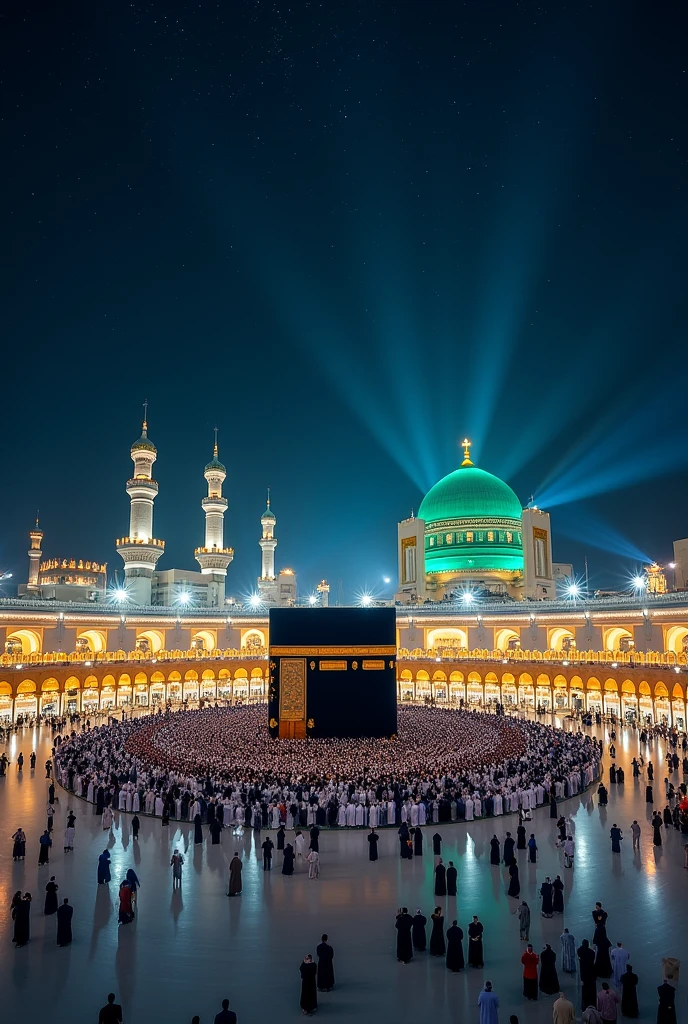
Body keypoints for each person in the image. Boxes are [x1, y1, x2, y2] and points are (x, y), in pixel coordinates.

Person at [578, 938, 598, 1010]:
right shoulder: (592, 953)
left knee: (585, 991)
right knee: (592, 991)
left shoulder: (580, 951)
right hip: (591, 973)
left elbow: (579, 951)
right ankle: (593, 1005)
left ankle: (584, 1006)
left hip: (584, 974)